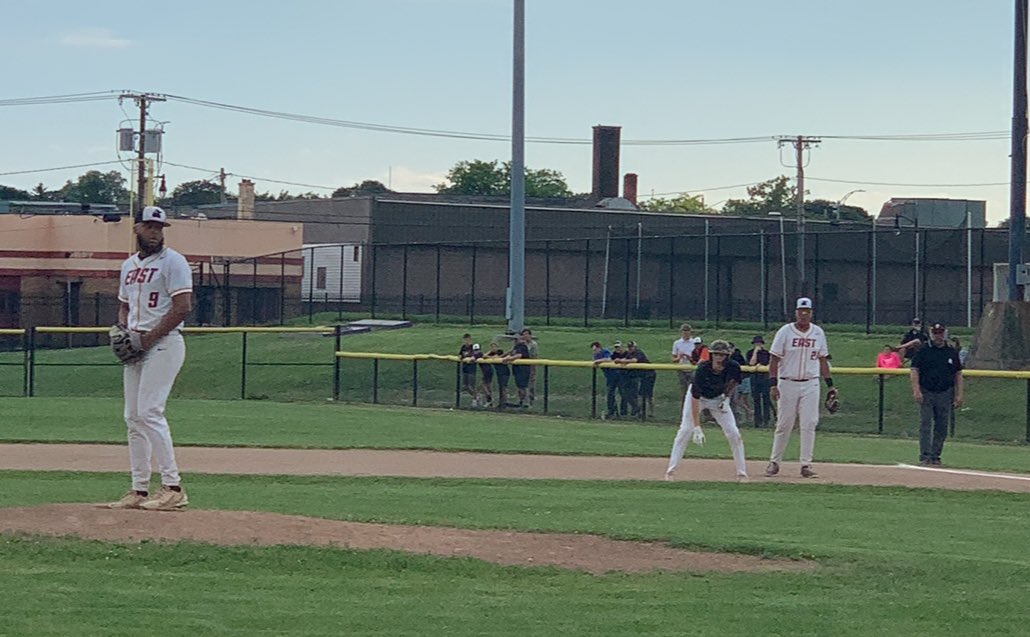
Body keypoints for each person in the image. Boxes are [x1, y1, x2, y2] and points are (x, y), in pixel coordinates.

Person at [106, 206, 193, 511]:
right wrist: (125, 331)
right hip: (138, 344)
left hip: (165, 344)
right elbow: (124, 305)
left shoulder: (174, 262)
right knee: (132, 416)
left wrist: (148, 337)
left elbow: (183, 307)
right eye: (150, 226)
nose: (156, 232)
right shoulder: (129, 265)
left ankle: (173, 487)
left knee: (150, 411)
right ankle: (138, 489)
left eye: (159, 227)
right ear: (137, 229)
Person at [765, 297, 834, 479]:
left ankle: (806, 464)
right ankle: (774, 462)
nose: (803, 314)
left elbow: (823, 360)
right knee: (784, 423)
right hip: (787, 382)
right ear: (795, 312)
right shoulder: (785, 332)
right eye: (800, 311)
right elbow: (774, 360)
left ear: (811, 313)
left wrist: (831, 386)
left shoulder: (818, 332)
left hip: (811, 382)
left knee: (809, 423)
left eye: (807, 311)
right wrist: (773, 384)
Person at [665, 339, 748, 482]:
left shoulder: (733, 366)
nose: (718, 358)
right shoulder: (703, 369)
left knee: (734, 433)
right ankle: (670, 471)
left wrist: (726, 398)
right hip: (699, 398)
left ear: (727, 356)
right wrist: (697, 427)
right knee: (685, 431)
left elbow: (734, 381)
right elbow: (695, 397)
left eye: (722, 355)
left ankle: (742, 472)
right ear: (711, 355)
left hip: (718, 398)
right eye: (716, 354)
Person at [911, 322, 964, 466]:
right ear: (931, 334)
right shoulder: (924, 350)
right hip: (927, 391)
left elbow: (958, 373)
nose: (938, 336)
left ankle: (936, 455)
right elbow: (915, 370)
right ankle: (925, 455)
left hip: (945, 392)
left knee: (942, 426)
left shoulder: (951, 352)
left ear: (945, 334)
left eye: (940, 333)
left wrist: (959, 394)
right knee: (926, 424)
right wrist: (916, 390)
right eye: (935, 333)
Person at [620, 341, 656, 417]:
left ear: (635, 347)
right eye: (629, 347)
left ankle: (651, 413)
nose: (630, 348)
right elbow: (625, 359)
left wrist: (623, 361)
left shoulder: (638, 352)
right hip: (642, 375)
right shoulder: (629, 354)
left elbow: (634, 360)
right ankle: (641, 412)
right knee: (640, 394)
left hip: (649, 374)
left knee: (648, 394)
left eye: (632, 347)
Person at [746, 335, 774, 428]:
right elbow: (751, 363)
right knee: (756, 399)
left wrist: (760, 365)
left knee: (766, 398)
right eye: (756, 343)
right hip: (754, 377)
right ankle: (757, 421)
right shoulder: (750, 353)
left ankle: (766, 420)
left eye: (759, 343)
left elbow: (767, 363)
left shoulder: (766, 353)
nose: (758, 345)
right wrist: (755, 352)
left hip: (764, 377)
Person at [502, 331, 533, 408]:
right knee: (519, 387)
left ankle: (527, 403)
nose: (515, 340)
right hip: (517, 369)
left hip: (523, 369)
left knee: (523, 387)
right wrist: (505, 357)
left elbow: (519, 355)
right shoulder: (516, 346)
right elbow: (511, 353)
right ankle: (521, 402)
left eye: (516, 339)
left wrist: (508, 359)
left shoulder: (522, 346)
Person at [591, 341, 620, 419]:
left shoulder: (605, 351)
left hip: (617, 374)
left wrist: (598, 361)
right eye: (593, 350)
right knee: (610, 394)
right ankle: (613, 412)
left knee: (623, 393)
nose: (595, 351)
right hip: (609, 376)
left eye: (595, 349)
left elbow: (609, 359)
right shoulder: (595, 355)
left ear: (599, 348)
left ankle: (624, 413)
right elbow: (594, 360)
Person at [610, 341, 638, 416]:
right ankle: (623, 412)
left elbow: (633, 360)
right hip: (621, 378)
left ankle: (635, 412)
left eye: (619, 347)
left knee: (631, 395)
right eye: (616, 347)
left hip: (632, 376)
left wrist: (621, 361)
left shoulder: (628, 354)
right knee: (624, 394)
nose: (617, 349)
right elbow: (611, 360)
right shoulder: (614, 354)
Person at [671, 323, 696, 405]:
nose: (686, 334)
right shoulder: (677, 343)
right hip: (681, 369)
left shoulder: (694, 343)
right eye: (684, 332)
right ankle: (684, 408)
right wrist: (679, 358)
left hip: (692, 368)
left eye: (687, 332)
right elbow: (674, 359)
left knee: (692, 388)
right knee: (684, 390)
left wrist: (690, 358)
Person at [487, 342, 510, 408]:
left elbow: (495, 357)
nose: (493, 348)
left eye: (494, 347)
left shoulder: (500, 351)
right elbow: (484, 356)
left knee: (503, 387)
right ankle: (501, 402)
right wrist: (490, 352)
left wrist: (490, 356)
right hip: (499, 373)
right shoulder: (492, 353)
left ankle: (504, 402)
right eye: (492, 347)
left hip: (504, 372)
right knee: (500, 387)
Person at [520, 328, 539, 405]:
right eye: (524, 334)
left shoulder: (533, 344)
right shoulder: (522, 344)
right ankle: (522, 400)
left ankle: (531, 400)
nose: (525, 336)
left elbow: (534, 356)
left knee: (530, 384)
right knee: (523, 384)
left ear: (530, 335)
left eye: (527, 334)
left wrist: (533, 367)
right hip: (522, 366)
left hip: (530, 366)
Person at [459, 334, 477, 406]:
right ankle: (474, 397)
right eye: (465, 340)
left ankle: (475, 399)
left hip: (471, 369)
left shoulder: (473, 347)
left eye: (467, 339)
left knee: (471, 386)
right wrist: (460, 357)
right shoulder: (463, 347)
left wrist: (472, 358)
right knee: (465, 386)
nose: (466, 341)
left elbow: (476, 354)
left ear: (470, 339)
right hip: (465, 368)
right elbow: (460, 354)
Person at [478, 341, 496, 407]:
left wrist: (490, 352)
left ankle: (489, 398)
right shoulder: (480, 353)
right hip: (486, 371)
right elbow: (484, 356)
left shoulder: (496, 352)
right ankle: (490, 401)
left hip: (488, 371)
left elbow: (485, 356)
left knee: (483, 384)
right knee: (487, 385)